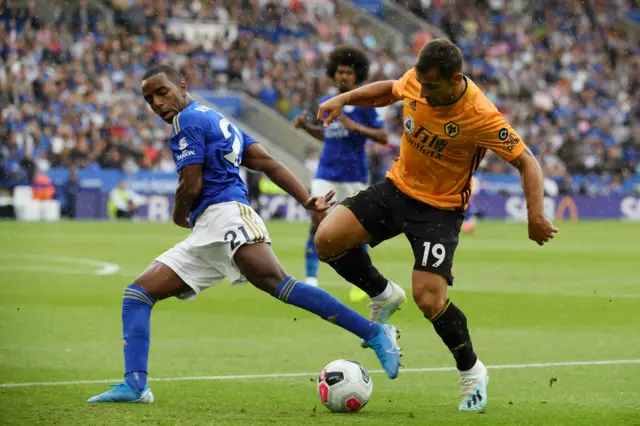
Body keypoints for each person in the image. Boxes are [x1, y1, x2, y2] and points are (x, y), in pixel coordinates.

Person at [87, 65, 402, 403]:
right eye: (149, 99)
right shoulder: (216, 119)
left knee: (279, 283)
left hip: (227, 216)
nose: (158, 103)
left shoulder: (187, 121)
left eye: (162, 92)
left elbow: (190, 184)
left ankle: (375, 332)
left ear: (182, 85)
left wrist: (179, 215)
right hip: (208, 230)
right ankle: (136, 386)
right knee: (137, 295)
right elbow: (266, 162)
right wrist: (305, 198)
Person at [313, 39, 559, 411]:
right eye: (421, 84)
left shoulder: (480, 114)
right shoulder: (418, 80)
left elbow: (527, 161)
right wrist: (344, 99)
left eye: (431, 87)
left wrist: (536, 215)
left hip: (439, 211)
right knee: (327, 239)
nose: (422, 92)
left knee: (429, 298)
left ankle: (471, 371)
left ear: (454, 79)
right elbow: (389, 91)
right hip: (397, 189)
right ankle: (383, 294)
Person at [293, 46, 392, 303]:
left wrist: (354, 125)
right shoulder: (326, 103)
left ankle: (363, 281)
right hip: (326, 172)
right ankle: (311, 280)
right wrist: (306, 127)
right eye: (340, 72)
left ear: (356, 75)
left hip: (354, 176)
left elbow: (383, 137)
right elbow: (328, 134)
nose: (344, 77)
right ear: (333, 75)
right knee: (317, 221)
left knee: (356, 230)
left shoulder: (363, 103)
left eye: (349, 72)